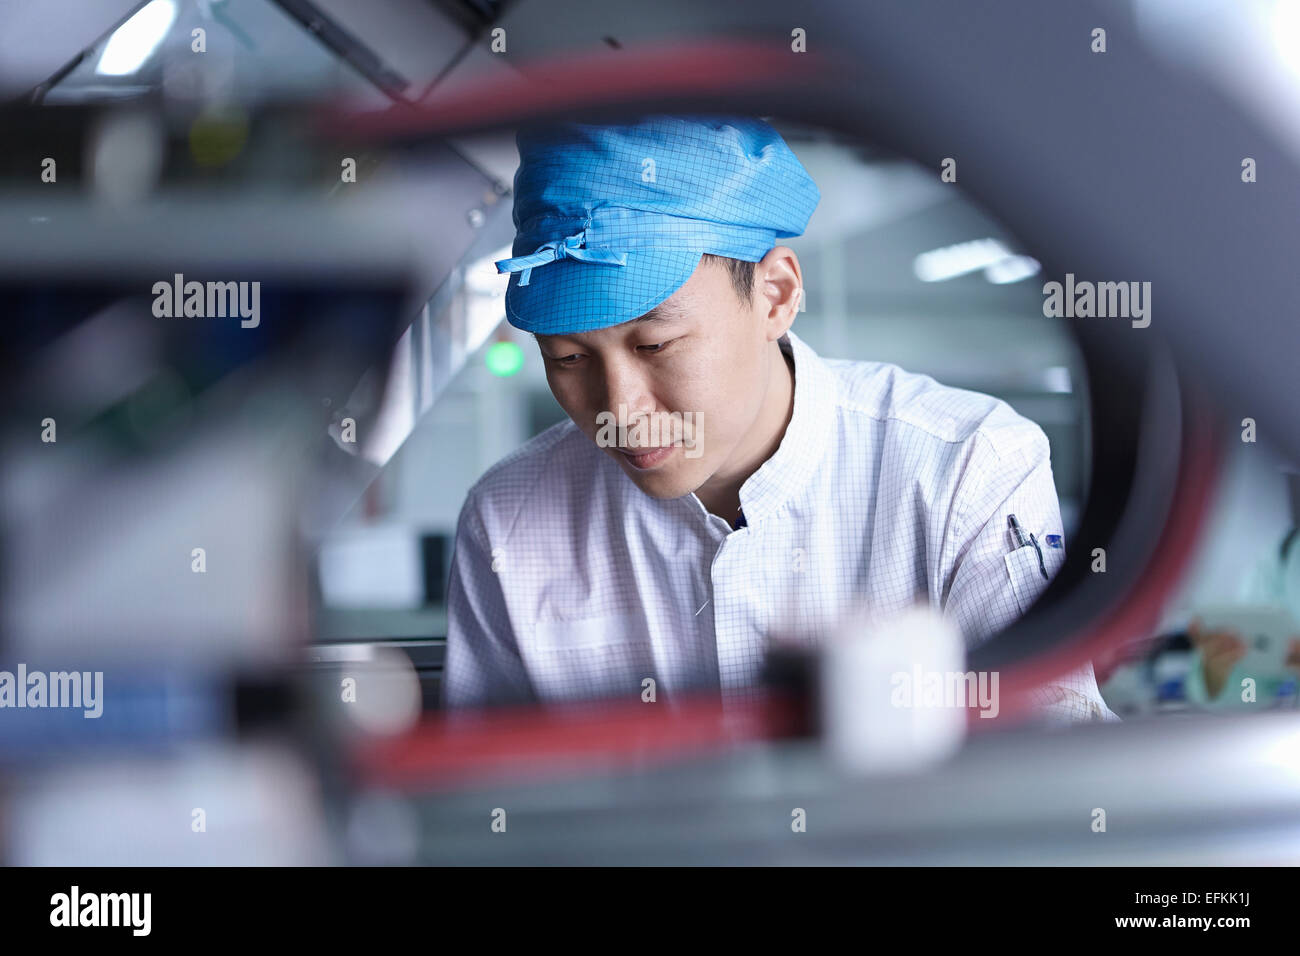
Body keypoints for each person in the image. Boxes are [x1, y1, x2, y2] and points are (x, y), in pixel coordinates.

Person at [443, 114, 1115, 723]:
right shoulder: (509, 522)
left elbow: (1052, 775)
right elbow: (479, 809)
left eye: (654, 346)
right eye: (566, 358)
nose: (619, 410)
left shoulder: (964, 469)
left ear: (776, 295)